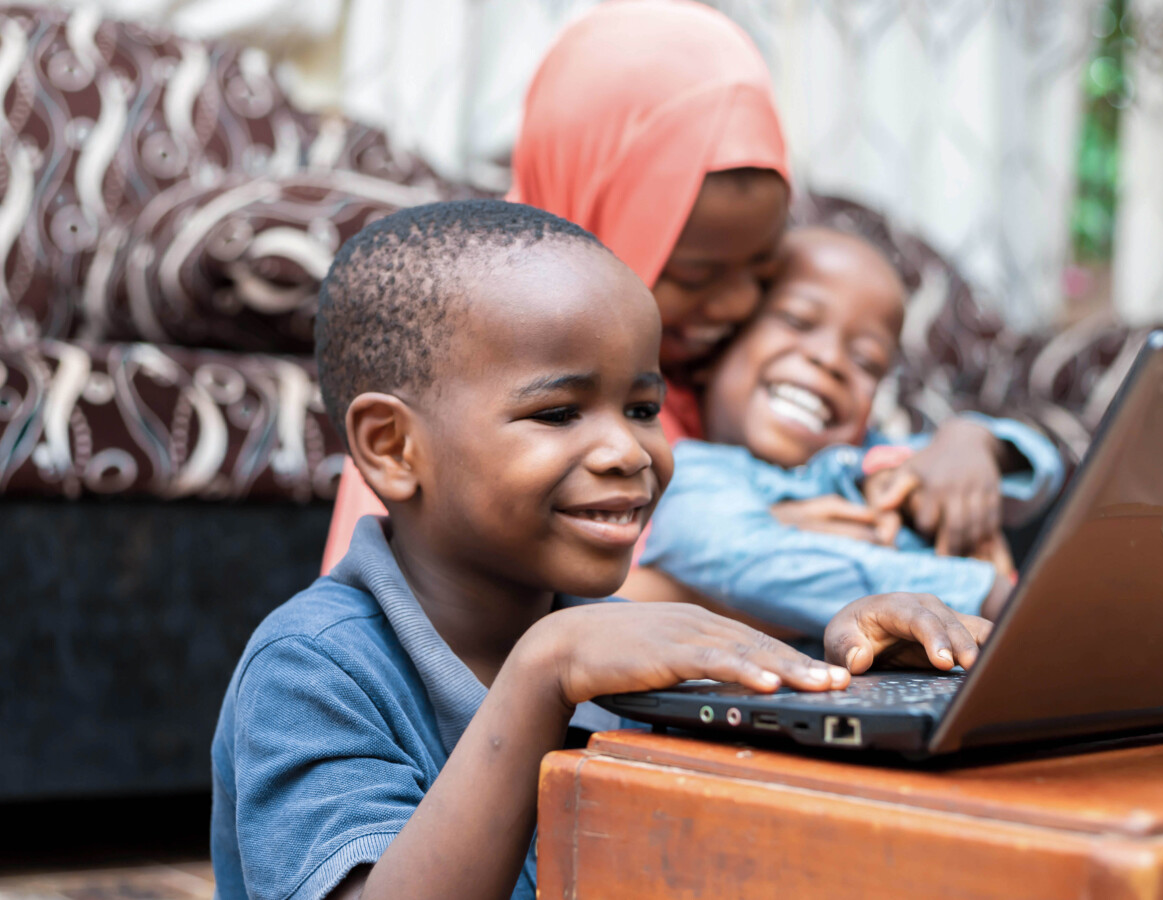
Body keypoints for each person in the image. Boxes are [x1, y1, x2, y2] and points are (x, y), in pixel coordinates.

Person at [210, 200, 999, 900]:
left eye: (644, 407)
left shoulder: (614, 637)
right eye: (557, 413)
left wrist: (840, 676)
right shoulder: (311, 672)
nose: (628, 451)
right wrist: (542, 674)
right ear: (392, 448)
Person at [319, 0, 791, 572]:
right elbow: (459, 610)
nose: (739, 302)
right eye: (694, 274)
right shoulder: (457, 362)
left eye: (762, 270)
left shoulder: (745, 370)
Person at [640, 228, 1064, 640]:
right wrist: (983, 593)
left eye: (866, 361)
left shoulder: (875, 457)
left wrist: (976, 443)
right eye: (797, 319)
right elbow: (730, 554)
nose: (829, 360)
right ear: (715, 351)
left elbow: (1038, 478)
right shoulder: (696, 471)